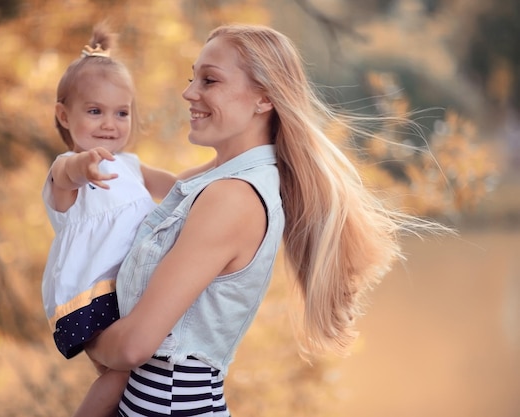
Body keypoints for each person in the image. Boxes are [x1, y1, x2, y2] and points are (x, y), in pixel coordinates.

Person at [84, 24, 448, 416]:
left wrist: (82, 334)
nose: (190, 92)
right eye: (193, 77)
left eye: (209, 80)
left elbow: (136, 346)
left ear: (264, 99)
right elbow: (148, 188)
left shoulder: (232, 198)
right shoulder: (218, 182)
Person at [41, 23, 211, 417]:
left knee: (130, 377)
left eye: (121, 113)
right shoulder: (66, 167)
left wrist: (218, 169)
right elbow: (70, 176)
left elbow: (175, 185)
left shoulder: (130, 165)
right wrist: (86, 165)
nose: (109, 124)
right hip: (92, 290)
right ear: (64, 116)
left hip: (130, 284)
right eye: (95, 111)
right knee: (118, 373)